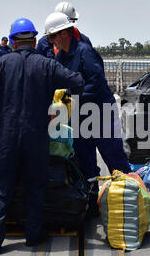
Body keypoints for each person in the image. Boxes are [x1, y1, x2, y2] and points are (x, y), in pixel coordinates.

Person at [0, 17, 85, 255]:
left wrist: (4, 103)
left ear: (13, 41)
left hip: (8, 135)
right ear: (34, 40)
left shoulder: (2, 63)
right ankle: (33, 236)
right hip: (36, 134)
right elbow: (77, 81)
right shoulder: (46, 64)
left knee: (1, 186)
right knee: (35, 185)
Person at [44, 12, 131, 217]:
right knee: (84, 163)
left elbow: (96, 82)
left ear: (64, 33)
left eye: (52, 37)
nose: (51, 42)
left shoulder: (85, 52)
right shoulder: (60, 57)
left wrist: (73, 98)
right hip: (79, 116)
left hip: (100, 113)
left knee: (114, 159)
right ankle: (91, 205)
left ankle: (129, 201)